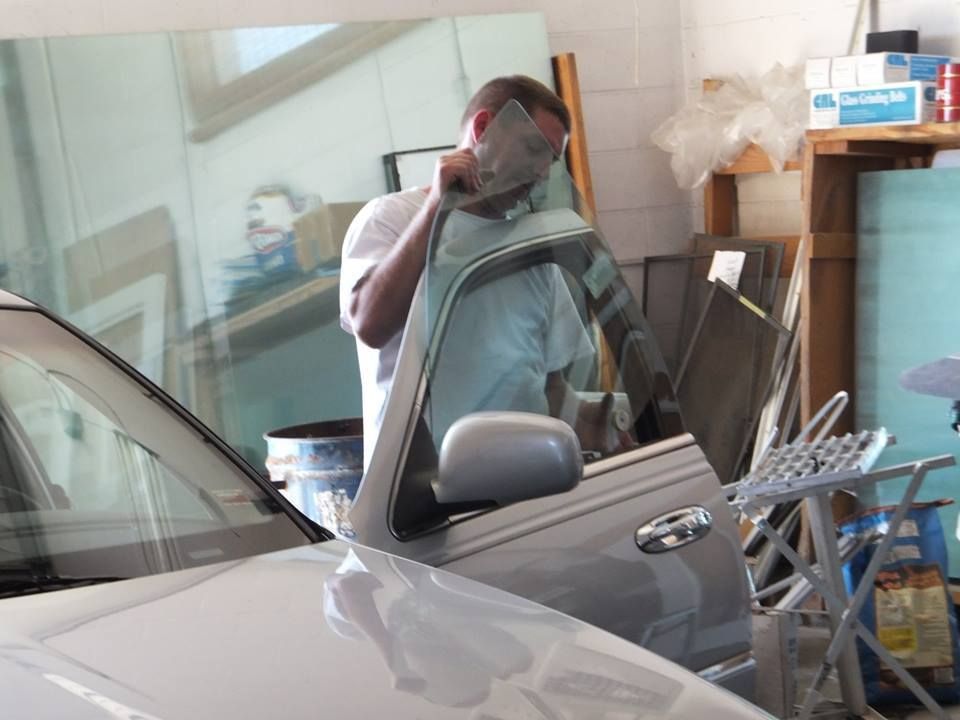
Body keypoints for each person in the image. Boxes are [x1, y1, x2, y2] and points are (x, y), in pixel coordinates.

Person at [339, 75, 621, 467]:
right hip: (425, 495)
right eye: (533, 147)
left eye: (551, 160)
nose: (541, 171)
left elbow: (549, 385)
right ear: (483, 127)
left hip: (526, 484)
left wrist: (594, 421)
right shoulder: (391, 218)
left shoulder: (529, 248)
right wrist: (437, 207)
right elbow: (370, 324)